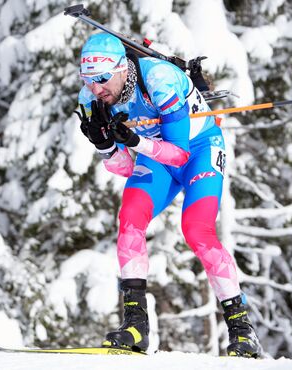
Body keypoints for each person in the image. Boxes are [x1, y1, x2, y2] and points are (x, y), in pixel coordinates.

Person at [76, 32, 263, 358]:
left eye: (102, 78)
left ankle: (241, 329)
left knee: (196, 230)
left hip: (199, 150)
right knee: (130, 218)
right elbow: (122, 168)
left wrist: (135, 142)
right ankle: (136, 326)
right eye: (87, 79)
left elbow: (179, 154)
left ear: (122, 68)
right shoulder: (92, 99)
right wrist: (105, 145)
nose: (95, 88)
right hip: (155, 155)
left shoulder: (160, 80)